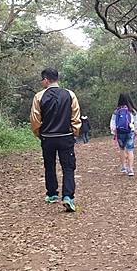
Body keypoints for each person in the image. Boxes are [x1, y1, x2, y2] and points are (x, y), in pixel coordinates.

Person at [30, 67, 81, 212]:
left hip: (48, 138)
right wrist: (74, 133)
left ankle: (52, 194)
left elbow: (35, 120)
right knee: (68, 166)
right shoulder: (70, 94)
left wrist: (39, 134)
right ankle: (68, 197)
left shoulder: (39, 96)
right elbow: (75, 117)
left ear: (46, 79)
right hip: (65, 137)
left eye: (42, 80)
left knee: (49, 165)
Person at [110, 93, 137, 177]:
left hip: (120, 132)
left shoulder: (117, 111)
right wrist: (136, 130)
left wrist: (114, 132)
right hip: (130, 131)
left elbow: (112, 123)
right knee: (130, 150)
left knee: (122, 149)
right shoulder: (132, 110)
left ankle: (123, 167)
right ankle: (130, 169)